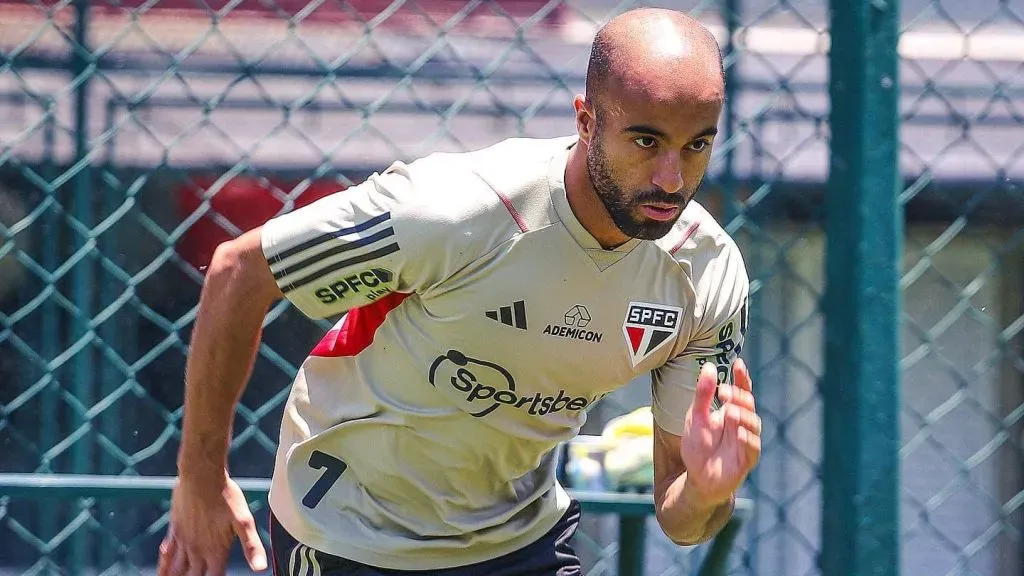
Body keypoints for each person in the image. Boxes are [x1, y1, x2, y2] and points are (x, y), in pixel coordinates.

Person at [158, 7, 762, 576]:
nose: (671, 178)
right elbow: (241, 271)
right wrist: (200, 478)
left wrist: (709, 491)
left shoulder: (707, 274)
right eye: (646, 142)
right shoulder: (455, 209)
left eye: (697, 145)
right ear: (586, 121)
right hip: (348, 527)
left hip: (515, 541)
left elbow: (682, 520)